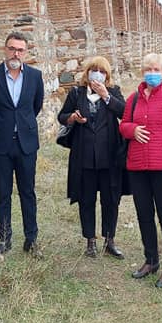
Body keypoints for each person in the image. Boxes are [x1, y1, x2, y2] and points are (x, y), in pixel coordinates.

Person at [119, 52, 162, 287]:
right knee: (144, 214)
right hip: (137, 166)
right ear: (142, 72)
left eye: (156, 69)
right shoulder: (133, 98)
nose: (152, 73)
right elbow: (123, 125)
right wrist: (132, 130)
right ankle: (150, 260)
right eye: (148, 69)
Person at [0, 32, 45, 256]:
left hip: (26, 143)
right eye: (12, 48)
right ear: (5, 49)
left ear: (26, 52)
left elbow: (35, 106)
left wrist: (22, 124)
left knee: (28, 192)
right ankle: (4, 239)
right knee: (3, 193)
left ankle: (31, 239)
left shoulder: (35, 76)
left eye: (20, 50)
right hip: (0, 144)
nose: (16, 53)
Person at [57, 56, 128, 258]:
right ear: (87, 73)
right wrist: (72, 117)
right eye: (94, 70)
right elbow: (62, 116)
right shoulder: (76, 93)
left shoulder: (113, 91)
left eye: (102, 71)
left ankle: (109, 240)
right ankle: (90, 241)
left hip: (109, 157)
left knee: (110, 199)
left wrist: (106, 96)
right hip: (84, 156)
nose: (97, 74)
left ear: (107, 75)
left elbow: (125, 112)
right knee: (86, 199)